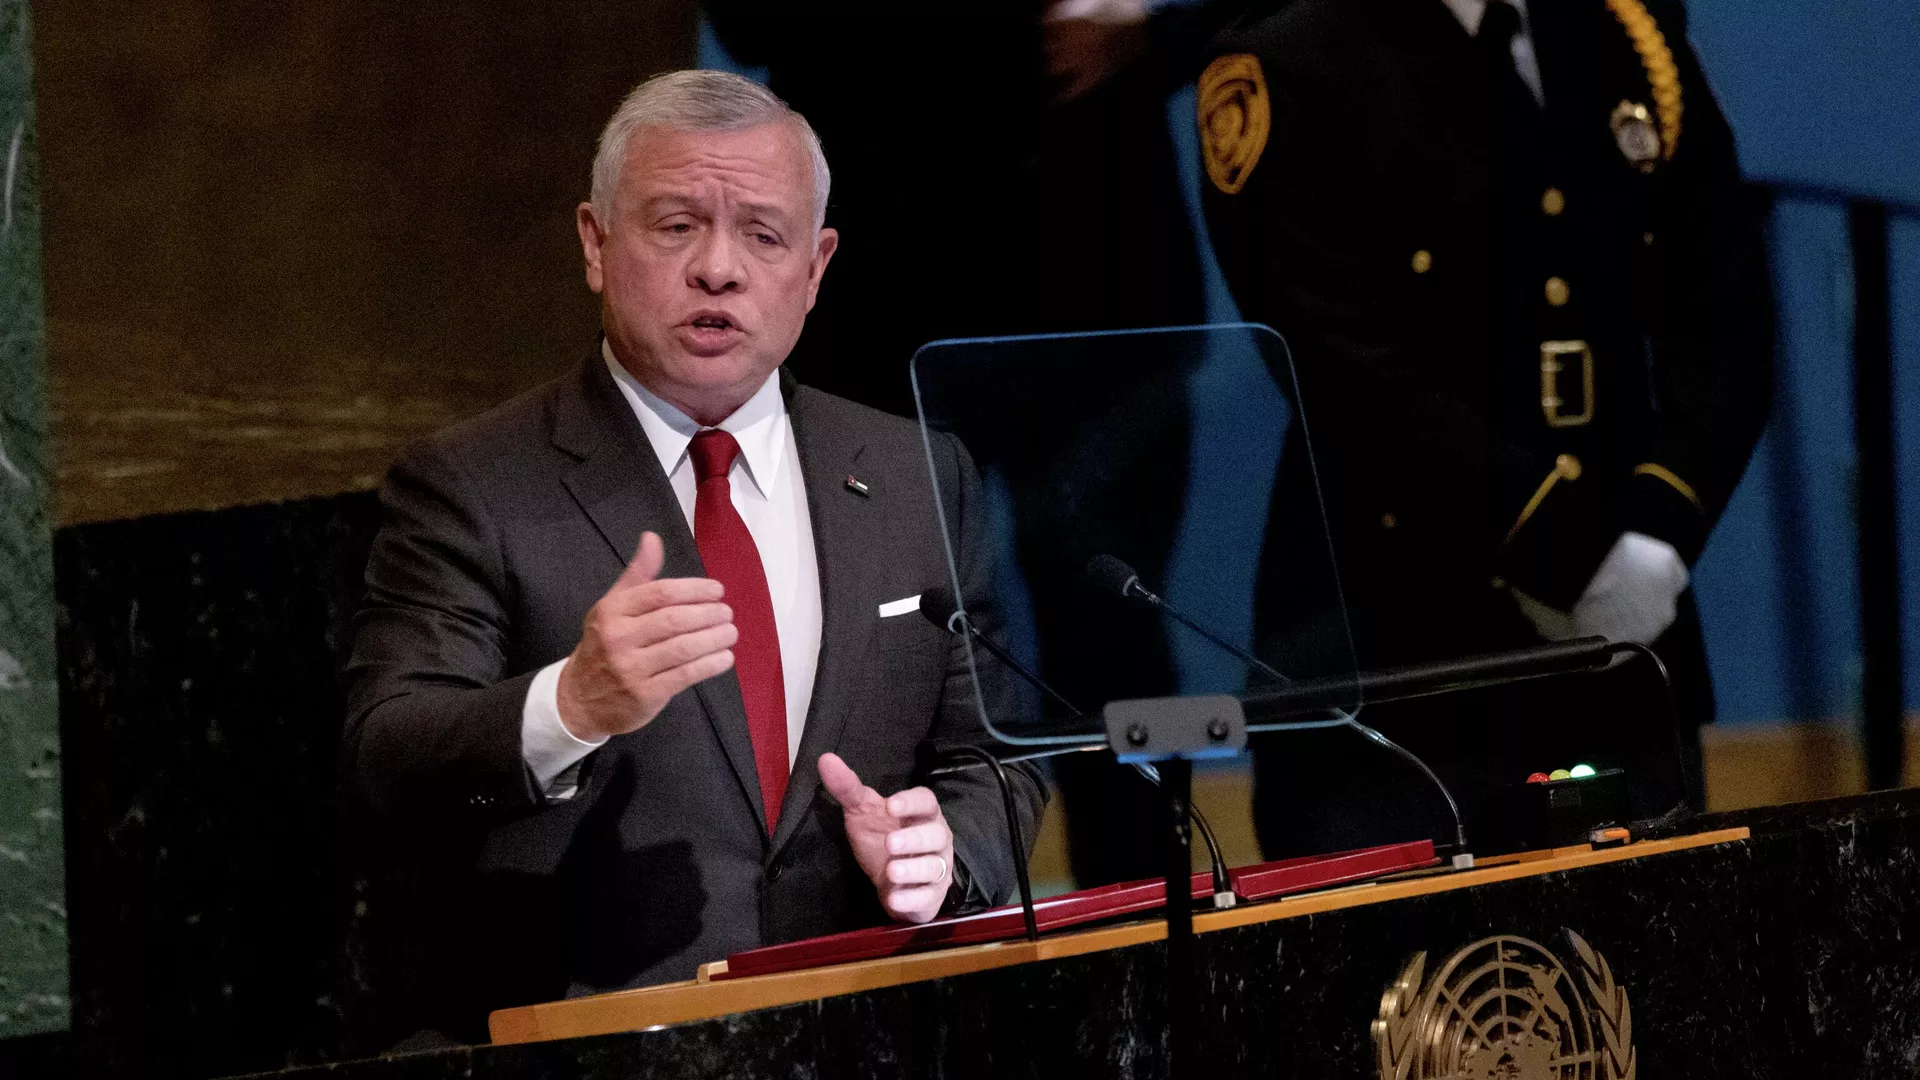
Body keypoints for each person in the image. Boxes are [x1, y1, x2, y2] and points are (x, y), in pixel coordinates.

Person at [342, 70, 1044, 1045]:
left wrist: (947, 851)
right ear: (595, 243)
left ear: (816, 267)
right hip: (594, 1046)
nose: (719, 269)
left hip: (868, 1036)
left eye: (763, 235)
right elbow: (388, 753)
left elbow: (998, 756)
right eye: (676, 226)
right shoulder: (472, 484)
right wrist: (570, 704)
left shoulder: (917, 471)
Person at [1198, 0, 1773, 856]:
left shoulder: (1626, 33)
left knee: (1646, 932)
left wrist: (1662, 528)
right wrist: (1565, 552)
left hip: (1624, 643)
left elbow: (1725, 311)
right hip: (1398, 661)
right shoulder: (1288, 60)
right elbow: (1344, 366)